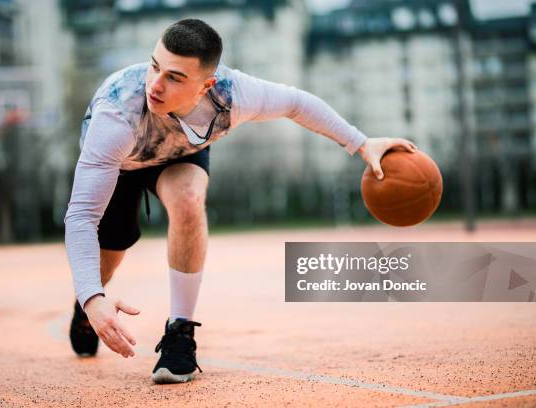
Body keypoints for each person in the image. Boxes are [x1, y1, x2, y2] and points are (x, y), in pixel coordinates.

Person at [64, 18, 417, 384]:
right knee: (111, 249)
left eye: (174, 77)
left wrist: (361, 143)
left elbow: (296, 103)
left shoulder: (232, 96)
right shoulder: (117, 114)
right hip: (122, 161)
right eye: (154, 66)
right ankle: (84, 307)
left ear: (206, 86)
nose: (155, 84)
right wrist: (93, 298)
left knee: (188, 199)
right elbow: (81, 217)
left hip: (178, 155)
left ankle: (180, 333)